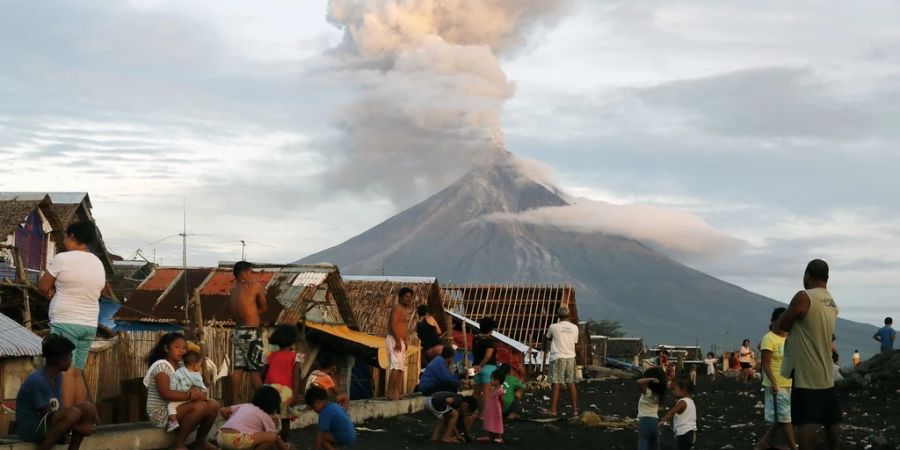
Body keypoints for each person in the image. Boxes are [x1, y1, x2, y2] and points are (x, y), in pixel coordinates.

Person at [36, 221, 106, 408]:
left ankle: (65, 418)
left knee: (63, 372)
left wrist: (53, 291)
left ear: (73, 236)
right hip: (89, 324)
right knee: (76, 372)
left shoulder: (62, 259)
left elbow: (42, 286)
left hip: (65, 321)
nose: (65, 240)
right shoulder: (98, 263)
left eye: (66, 236)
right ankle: (79, 419)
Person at [776, 259, 841, 450]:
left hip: (806, 369)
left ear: (808, 275)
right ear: (826, 278)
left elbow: (783, 324)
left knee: (807, 418)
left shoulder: (804, 297)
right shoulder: (831, 301)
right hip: (825, 369)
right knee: (831, 417)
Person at [16, 335, 98, 450]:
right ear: (61, 361)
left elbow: (58, 409)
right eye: (70, 357)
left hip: (47, 424)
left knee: (87, 407)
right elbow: (48, 416)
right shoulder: (38, 381)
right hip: (32, 428)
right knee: (73, 413)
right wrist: (78, 428)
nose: (71, 360)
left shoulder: (57, 376)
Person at [144, 332, 220, 450]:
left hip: (178, 406)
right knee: (199, 406)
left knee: (213, 405)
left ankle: (200, 441)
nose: (181, 351)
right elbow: (166, 394)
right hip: (161, 413)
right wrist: (191, 395)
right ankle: (178, 444)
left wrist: (195, 389)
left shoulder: (182, 365)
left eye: (184, 348)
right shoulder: (162, 367)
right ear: (166, 348)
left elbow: (193, 382)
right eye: (177, 347)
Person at [756, 307, 796, 450]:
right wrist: (773, 382)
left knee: (781, 418)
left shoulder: (788, 337)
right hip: (777, 383)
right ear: (773, 322)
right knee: (785, 418)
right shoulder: (769, 338)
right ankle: (793, 446)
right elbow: (765, 363)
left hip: (789, 382)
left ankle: (763, 445)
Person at [230, 261, 268, 405]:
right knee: (254, 369)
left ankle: (234, 402)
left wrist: (248, 313)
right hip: (251, 331)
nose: (252, 275)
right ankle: (260, 404)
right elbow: (264, 307)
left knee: (238, 368)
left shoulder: (233, 290)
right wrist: (253, 314)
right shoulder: (255, 286)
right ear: (244, 273)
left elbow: (233, 313)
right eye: (251, 272)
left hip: (239, 331)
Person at [217, 386, 291, 450]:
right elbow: (275, 437)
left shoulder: (246, 405)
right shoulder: (265, 416)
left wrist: (233, 425)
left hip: (220, 437)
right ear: (272, 406)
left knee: (252, 438)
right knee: (272, 436)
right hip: (236, 440)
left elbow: (223, 410)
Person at [265, 324, 303, 440]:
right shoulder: (297, 356)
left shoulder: (268, 355)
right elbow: (295, 376)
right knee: (285, 421)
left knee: (270, 421)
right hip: (285, 392)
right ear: (293, 340)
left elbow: (264, 374)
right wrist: (295, 394)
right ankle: (285, 443)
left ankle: (270, 441)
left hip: (269, 390)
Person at [545, 306, 579, 417]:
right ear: (569, 315)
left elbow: (548, 337)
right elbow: (575, 341)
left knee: (556, 384)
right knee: (571, 383)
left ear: (558, 316)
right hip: (570, 357)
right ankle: (575, 411)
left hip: (557, 357)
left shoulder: (553, 327)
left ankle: (553, 410)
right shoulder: (575, 328)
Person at [166, 350, 207, 432]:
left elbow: (173, 383)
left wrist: (173, 391)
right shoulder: (198, 376)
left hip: (181, 397)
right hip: (192, 398)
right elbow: (203, 389)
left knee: (170, 406)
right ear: (193, 364)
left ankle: (173, 422)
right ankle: (196, 423)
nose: (200, 367)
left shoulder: (179, 371)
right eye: (199, 364)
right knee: (200, 408)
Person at [306, 385, 355, 450]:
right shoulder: (333, 405)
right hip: (351, 434)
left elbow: (320, 434)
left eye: (313, 407)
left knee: (321, 438)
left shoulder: (324, 412)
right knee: (326, 436)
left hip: (345, 436)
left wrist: (316, 448)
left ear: (317, 402)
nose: (314, 410)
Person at [386, 287, 413, 401]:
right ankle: (389, 392)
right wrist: (397, 340)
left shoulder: (405, 310)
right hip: (394, 339)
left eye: (410, 297)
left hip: (400, 341)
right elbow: (392, 325)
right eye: (406, 296)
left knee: (400, 368)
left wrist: (405, 341)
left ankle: (396, 392)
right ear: (400, 297)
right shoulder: (397, 308)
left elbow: (404, 327)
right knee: (395, 367)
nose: (409, 299)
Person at [660, 378, 696, 450]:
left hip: (684, 433)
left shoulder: (682, 402)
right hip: (692, 432)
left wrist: (664, 419)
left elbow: (672, 411)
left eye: (675, 389)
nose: (673, 391)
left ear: (684, 389)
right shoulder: (691, 401)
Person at [636, 367, 667, 450]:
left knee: (643, 442)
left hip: (644, 421)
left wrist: (651, 379)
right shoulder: (660, 394)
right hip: (655, 421)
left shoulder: (647, 392)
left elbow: (638, 382)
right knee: (654, 446)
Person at [472, 317, 497, 417]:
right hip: (488, 368)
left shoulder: (476, 338)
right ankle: (483, 414)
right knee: (486, 393)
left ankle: (472, 411)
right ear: (490, 329)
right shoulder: (490, 341)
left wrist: (477, 367)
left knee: (476, 392)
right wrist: (481, 366)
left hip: (475, 368)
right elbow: (488, 356)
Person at [480, 369, 505, 444]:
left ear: (498, 380)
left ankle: (499, 437)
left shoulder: (500, 390)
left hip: (496, 409)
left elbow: (502, 400)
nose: (491, 381)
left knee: (498, 422)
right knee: (488, 420)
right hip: (490, 408)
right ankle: (487, 435)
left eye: (493, 379)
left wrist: (502, 407)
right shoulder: (492, 389)